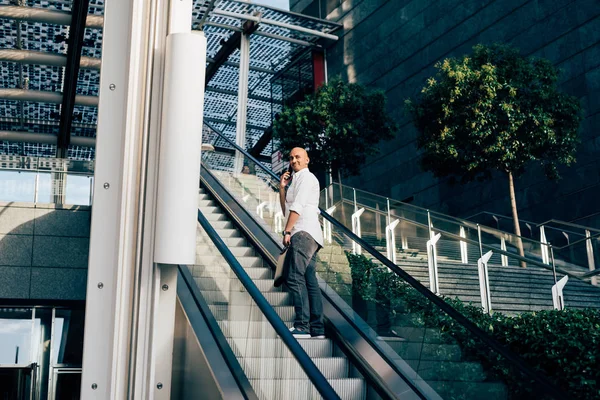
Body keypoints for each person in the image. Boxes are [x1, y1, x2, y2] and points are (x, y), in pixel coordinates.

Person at [279, 147, 325, 339]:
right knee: (309, 280)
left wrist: (288, 231)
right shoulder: (295, 181)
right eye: (291, 158)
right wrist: (282, 187)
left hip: (303, 232)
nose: (294, 160)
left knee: (294, 277)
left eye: (298, 157)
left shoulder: (307, 178)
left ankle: (302, 326)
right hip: (308, 233)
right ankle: (317, 328)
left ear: (307, 160)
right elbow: (286, 209)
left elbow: (297, 208)